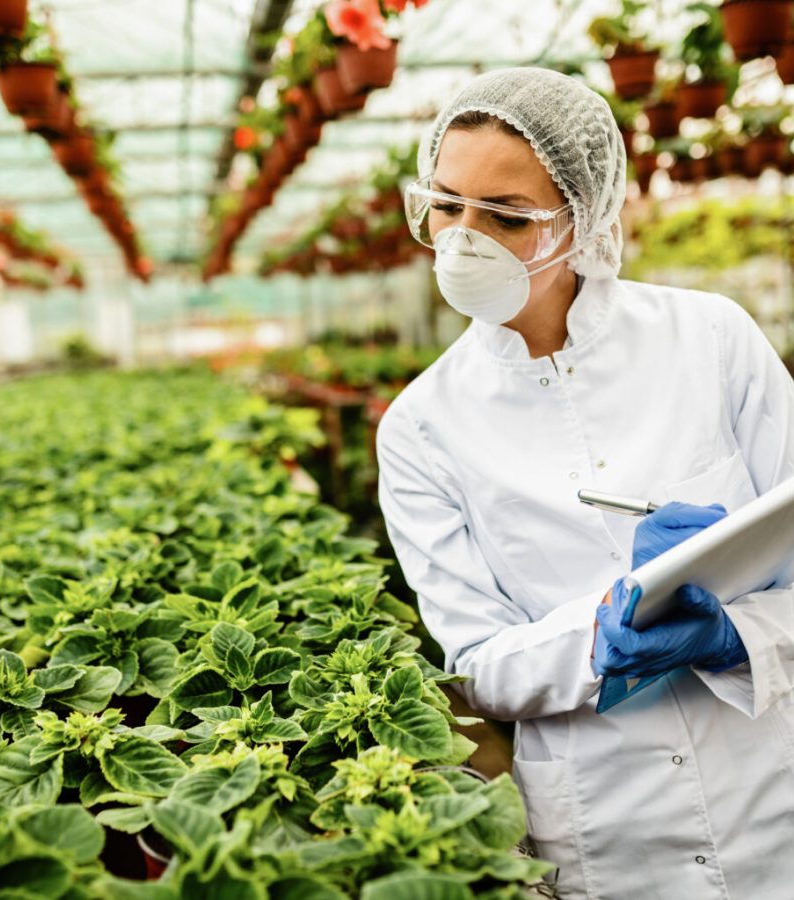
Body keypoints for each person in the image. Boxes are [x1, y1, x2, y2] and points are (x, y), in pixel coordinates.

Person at [375, 67, 794, 900]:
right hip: (607, 827)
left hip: (771, 791)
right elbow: (477, 663)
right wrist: (601, 635)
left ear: (585, 216)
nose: (465, 238)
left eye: (505, 216)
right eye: (446, 204)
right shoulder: (420, 427)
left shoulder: (709, 340)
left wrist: (733, 635)